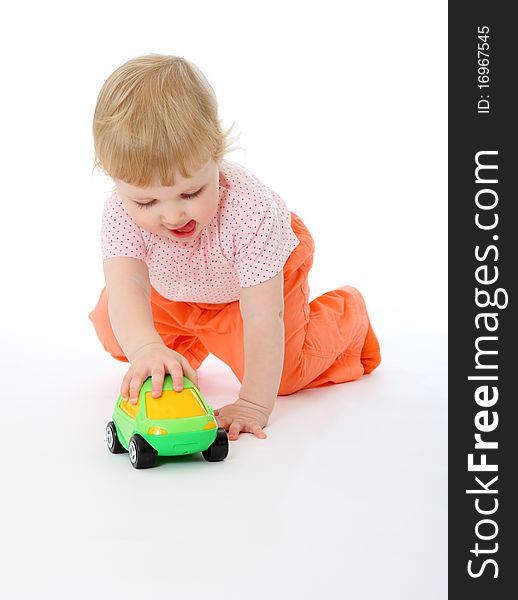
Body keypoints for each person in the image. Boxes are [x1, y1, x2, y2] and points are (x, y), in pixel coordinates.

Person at [88, 53, 381, 442]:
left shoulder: (249, 211)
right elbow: (128, 286)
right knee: (117, 326)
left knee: (285, 374)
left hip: (255, 288)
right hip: (177, 289)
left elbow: (263, 317)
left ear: (217, 154)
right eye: (147, 202)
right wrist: (147, 348)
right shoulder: (119, 212)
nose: (173, 215)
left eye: (190, 192)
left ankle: (347, 316)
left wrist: (254, 403)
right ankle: (183, 350)